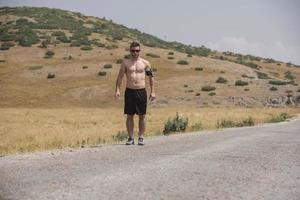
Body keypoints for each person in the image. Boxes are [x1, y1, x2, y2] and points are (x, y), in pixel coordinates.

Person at [115, 42, 156, 145]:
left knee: (142, 115)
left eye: (137, 50)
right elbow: (120, 77)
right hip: (129, 91)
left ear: (140, 51)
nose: (135, 52)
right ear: (130, 51)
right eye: (133, 50)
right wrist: (117, 90)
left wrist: (153, 91)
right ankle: (130, 138)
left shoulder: (145, 63)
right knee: (129, 115)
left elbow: (151, 77)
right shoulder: (125, 63)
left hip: (141, 91)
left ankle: (141, 137)